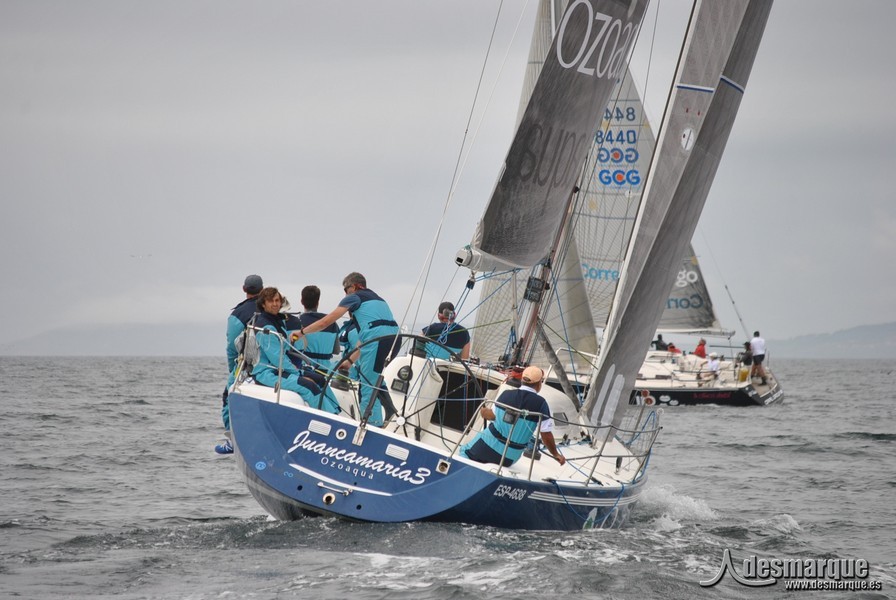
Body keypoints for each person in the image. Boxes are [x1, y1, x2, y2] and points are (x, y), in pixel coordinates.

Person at [291, 272, 400, 427]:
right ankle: (389, 410)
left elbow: (325, 322)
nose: (345, 294)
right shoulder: (379, 299)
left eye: (345, 289)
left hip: (377, 341)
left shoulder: (354, 297)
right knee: (374, 378)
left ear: (354, 286)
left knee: (367, 386)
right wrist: (349, 361)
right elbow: (365, 337)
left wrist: (301, 332)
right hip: (395, 340)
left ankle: (372, 427)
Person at [250, 287, 341, 413]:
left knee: (320, 380)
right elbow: (278, 359)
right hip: (267, 373)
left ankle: (337, 413)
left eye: (277, 300)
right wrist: (298, 374)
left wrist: (299, 371)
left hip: (280, 370)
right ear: (263, 304)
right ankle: (329, 417)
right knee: (309, 386)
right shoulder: (266, 327)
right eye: (271, 301)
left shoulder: (278, 321)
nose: (275, 304)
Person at [462, 366, 566, 468]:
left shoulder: (506, 394)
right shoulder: (541, 404)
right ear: (539, 383)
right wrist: (555, 454)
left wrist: (483, 411)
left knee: (464, 451)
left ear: (522, 380)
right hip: (509, 457)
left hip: (486, 446)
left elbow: (492, 416)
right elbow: (546, 434)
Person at [217, 274, 263, 452]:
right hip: (272, 365)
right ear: (262, 289)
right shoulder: (271, 310)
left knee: (229, 397)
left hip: (246, 365)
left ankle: (232, 439)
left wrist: (233, 369)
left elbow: (232, 345)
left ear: (244, 289)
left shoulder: (238, 314)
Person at [296, 285, 341, 374]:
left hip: (305, 370)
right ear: (318, 302)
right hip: (325, 371)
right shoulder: (332, 323)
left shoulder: (298, 322)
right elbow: (336, 351)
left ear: (302, 301)